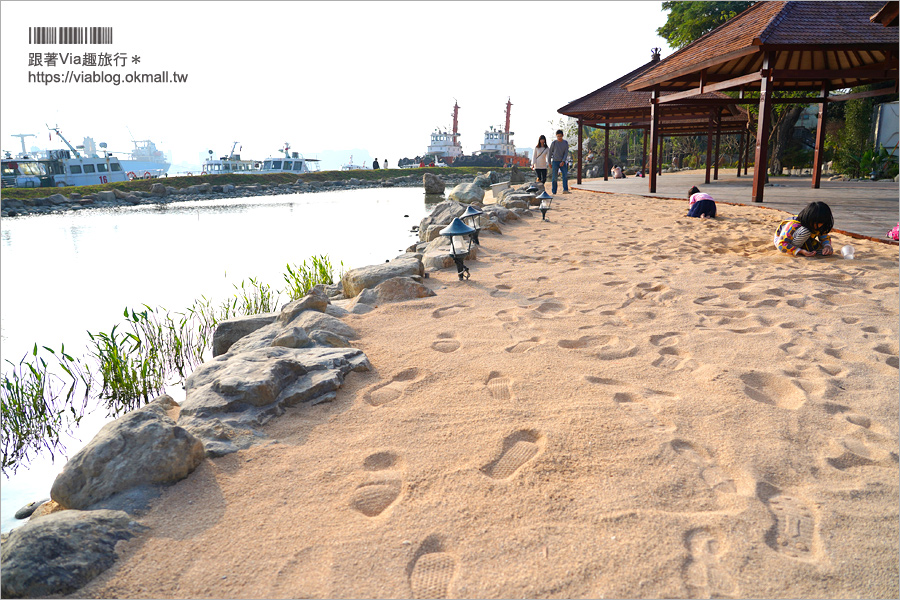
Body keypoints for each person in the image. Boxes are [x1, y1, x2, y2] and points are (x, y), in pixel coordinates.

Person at [549, 129, 570, 194]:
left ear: (563, 135)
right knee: (554, 177)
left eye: (560, 136)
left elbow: (566, 153)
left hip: (562, 162)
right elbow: (550, 153)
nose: (559, 137)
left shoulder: (565, 143)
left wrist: (563, 161)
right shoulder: (554, 143)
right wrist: (549, 162)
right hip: (555, 161)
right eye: (558, 136)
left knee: (565, 175)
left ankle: (565, 189)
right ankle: (554, 191)